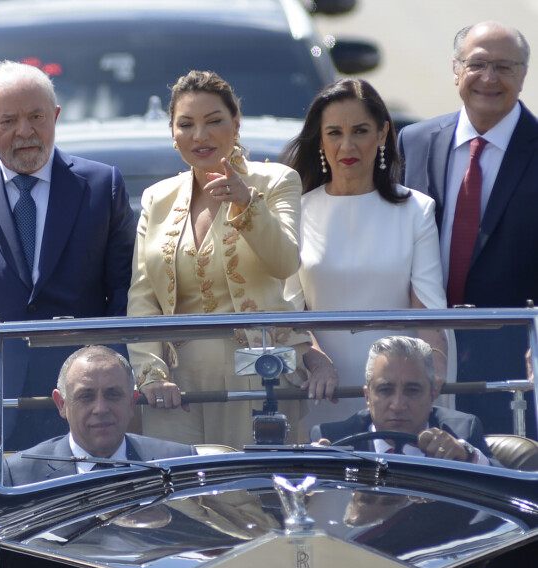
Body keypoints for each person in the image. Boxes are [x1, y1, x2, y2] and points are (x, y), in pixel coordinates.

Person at [127, 70, 310, 448]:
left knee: (249, 497)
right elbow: (143, 298)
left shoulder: (276, 181)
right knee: (181, 499)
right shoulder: (156, 198)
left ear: (236, 124)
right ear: (173, 133)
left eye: (214, 122)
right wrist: (150, 373)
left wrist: (247, 203)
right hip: (176, 388)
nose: (200, 136)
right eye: (186, 124)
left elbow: (285, 262)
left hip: (258, 374)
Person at [0, 61, 136, 447]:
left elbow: (124, 289)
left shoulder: (101, 185)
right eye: (8, 121)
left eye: (36, 116)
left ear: (55, 117)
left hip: (82, 402)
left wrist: (111, 376)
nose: (25, 131)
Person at [281, 78, 449, 432]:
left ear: (382, 133)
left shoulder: (417, 210)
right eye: (334, 133)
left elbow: (429, 314)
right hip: (322, 390)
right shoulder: (295, 212)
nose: (347, 145)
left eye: (359, 131)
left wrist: (432, 378)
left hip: (400, 395)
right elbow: (290, 314)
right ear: (320, 139)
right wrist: (319, 364)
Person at [397, 21, 537, 438]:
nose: (489, 79)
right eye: (477, 65)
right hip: (423, 355)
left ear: (523, 74)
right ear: (456, 70)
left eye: (504, 67)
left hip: (513, 357)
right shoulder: (415, 141)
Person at [3, 346, 196, 486]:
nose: (101, 409)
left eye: (113, 395)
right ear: (62, 404)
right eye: (86, 397)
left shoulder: (179, 463)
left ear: (131, 403)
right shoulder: (18, 476)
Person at [311, 336, 493, 465]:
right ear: (367, 397)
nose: (398, 405)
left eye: (412, 391)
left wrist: (467, 456)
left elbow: (509, 488)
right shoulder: (333, 439)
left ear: (432, 395)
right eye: (385, 390)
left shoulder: (461, 430)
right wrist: (308, 471)